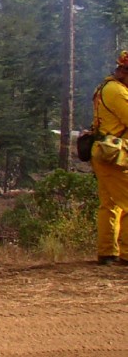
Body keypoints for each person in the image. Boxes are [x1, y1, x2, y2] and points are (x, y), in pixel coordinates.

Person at [90, 50, 128, 265]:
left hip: (106, 153)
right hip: (114, 155)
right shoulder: (117, 91)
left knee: (111, 204)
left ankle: (107, 252)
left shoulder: (107, 87)